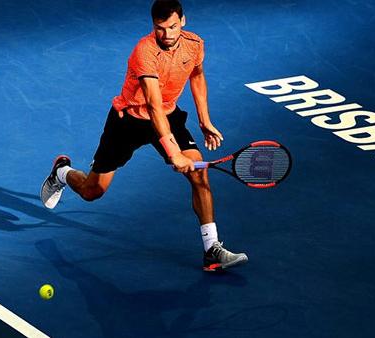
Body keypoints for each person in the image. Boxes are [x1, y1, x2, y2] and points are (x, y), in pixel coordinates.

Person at [41, 0, 247, 272]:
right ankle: (63, 172)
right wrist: (173, 153)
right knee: (94, 191)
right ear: (153, 26)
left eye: (173, 26)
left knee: (199, 174)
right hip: (130, 121)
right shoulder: (144, 52)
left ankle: (212, 250)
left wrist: (204, 121)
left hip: (169, 114)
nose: (168, 34)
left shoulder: (195, 44)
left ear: (183, 21)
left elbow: (197, 76)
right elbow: (152, 104)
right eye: (161, 29)